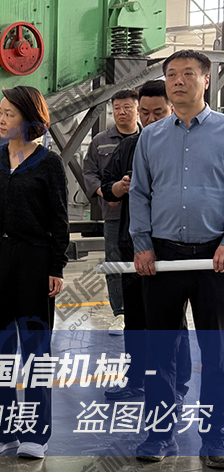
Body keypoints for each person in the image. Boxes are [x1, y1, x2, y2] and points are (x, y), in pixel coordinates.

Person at [129, 50, 224, 466]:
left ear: (207, 80)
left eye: (188, 74)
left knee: (217, 354)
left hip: (215, 259)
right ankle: (159, 434)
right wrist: (142, 243)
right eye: (171, 74)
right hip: (163, 257)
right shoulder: (151, 137)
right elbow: (139, 193)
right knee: (160, 352)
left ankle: (216, 437)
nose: (178, 81)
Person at [0, 86, 68, 459]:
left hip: (34, 260)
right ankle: (3, 429)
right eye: (0, 112)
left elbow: (59, 219)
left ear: (29, 118)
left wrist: (55, 266)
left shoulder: (49, 163)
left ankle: (36, 434)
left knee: (35, 351)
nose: (1, 119)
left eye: (8, 114)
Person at [100, 80, 191, 403]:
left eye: (158, 112)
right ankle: (136, 380)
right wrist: (119, 188)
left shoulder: (183, 146)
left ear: (172, 109)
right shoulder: (129, 146)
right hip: (134, 247)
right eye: (145, 113)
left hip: (170, 248)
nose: (150, 119)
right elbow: (106, 185)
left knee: (171, 323)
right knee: (136, 319)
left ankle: (177, 385)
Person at [82, 89, 140, 335]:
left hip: (144, 215)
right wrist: (105, 193)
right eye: (116, 108)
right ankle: (120, 313)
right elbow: (89, 172)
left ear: (137, 109)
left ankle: (144, 309)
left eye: (127, 107)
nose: (121, 112)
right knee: (115, 263)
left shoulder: (148, 137)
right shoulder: (101, 141)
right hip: (114, 214)